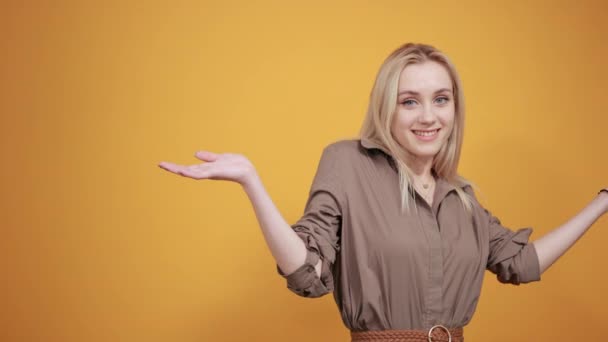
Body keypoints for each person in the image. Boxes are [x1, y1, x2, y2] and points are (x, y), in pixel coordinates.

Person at [158, 42, 608, 342]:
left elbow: (521, 262)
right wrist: (251, 183)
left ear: (455, 107)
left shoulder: (461, 197)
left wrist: (603, 201)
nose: (428, 116)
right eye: (409, 100)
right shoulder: (347, 162)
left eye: (441, 99)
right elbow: (307, 272)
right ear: (385, 107)